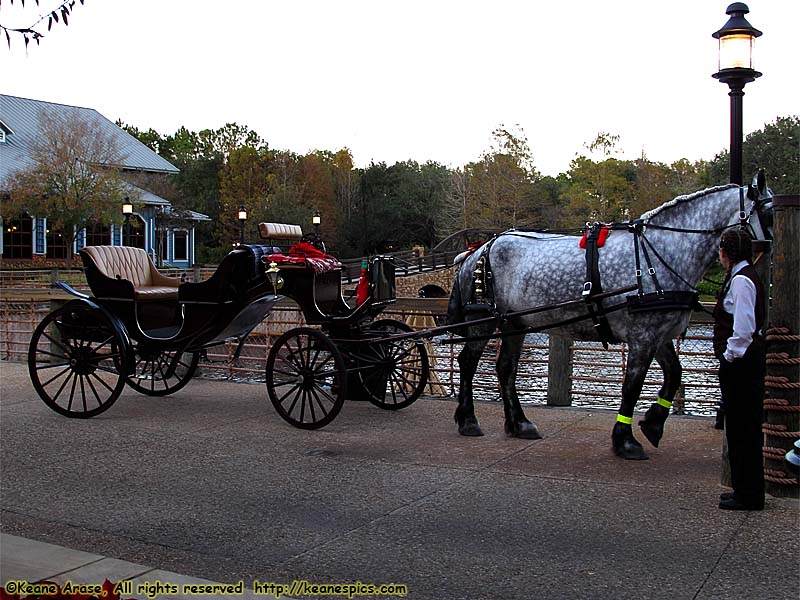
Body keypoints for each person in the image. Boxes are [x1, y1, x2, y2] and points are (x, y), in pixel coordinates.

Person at [713, 229, 766, 511]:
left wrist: (729, 356)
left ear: (726, 253)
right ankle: (743, 489)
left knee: (744, 428)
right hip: (743, 364)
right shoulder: (741, 277)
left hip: (741, 365)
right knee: (739, 427)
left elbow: (744, 329)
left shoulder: (742, 282)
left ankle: (749, 494)